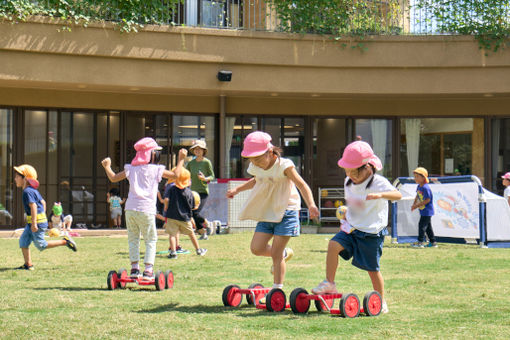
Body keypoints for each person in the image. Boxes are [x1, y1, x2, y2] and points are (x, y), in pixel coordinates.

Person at [310, 141, 402, 314]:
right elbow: (353, 202)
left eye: (354, 171)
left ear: (367, 167)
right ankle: (329, 283)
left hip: (371, 233)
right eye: (347, 171)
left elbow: (398, 195)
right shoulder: (348, 181)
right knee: (333, 245)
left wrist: (381, 195)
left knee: (372, 269)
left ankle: (380, 301)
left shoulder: (378, 182)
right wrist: (347, 213)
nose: (350, 175)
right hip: (351, 229)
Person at [226, 131, 319, 294]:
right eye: (251, 160)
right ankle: (282, 254)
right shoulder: (256, 167)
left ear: (270, 152)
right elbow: (256, 179)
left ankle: (277, 289)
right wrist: (237, 189)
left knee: (275, 253)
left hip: (287, 211)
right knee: (256, 248)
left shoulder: (284, 165)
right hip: (268, 211)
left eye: (257, 158)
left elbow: (301, 184)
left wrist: (311, 204)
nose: (255, 163)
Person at [101, 137, 187, 278]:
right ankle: (148, 270)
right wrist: (181, 159)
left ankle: (134, 269)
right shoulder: (156, 169)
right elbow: (176, 175)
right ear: (152, 154)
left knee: (133, 239)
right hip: (146, 209)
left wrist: (107, 167)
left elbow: (114, 178)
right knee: (150, 239)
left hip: (130, 209)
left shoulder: (131, 169)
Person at [14, 164, 77, 270]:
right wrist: (42, 216)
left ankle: (65, 242)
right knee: (23, 241)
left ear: (25, 178)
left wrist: (35, 222)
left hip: (35, 223)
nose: (15, 179)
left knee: (41, 245)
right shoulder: (33, 190)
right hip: (35, 222)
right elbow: (43, 202)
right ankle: (28, 265)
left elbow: (33, 206)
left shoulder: (27, 192)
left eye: (17, 176)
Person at [164, 168, 207, 259]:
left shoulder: (172, 189)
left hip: (172, 216)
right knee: (191, 233)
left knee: (172, 235)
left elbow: (167, 200)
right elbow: (192, 206)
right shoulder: (189, 193)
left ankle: (173, 252)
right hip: (184, 217)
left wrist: (166, 208)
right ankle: (198, 250)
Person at [186, 139, 215, 240]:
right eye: (195, 149)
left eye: (199, 149)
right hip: (193, 192)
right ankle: (203, 233)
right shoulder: (191, 163)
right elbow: (185, 174)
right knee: (192, 214)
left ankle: (207, 223)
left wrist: (205, 178)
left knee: (196, 212)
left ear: (203, 151)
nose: (197, 151)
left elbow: (212, 176)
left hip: (203, 191)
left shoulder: (207, 162)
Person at [411, 167, 437, 248]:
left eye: (417, 177)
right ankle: (433, 243)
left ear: (423, 178)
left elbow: (427, 200)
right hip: (423, 211)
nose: (415, 178)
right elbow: (417, 195)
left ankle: (420, 242)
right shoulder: (419, 186)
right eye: (415, 176)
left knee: (421, 225)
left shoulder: (426, 187)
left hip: (427, 211)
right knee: (428, 227)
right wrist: (414, 204)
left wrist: (417, 205)